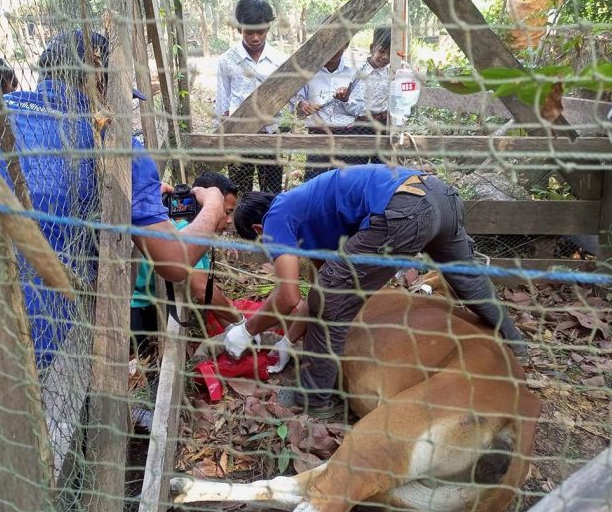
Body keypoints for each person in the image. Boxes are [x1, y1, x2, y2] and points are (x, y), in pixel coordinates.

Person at [0, 29, 226, 369]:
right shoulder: (115, 143)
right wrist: (214, 206)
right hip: (50, 342)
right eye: (120, 98)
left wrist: (139, 197)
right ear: (101, 83)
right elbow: (174, 263)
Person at [225, 165, 528, 418]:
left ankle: (314, 398)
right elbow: (324, 285)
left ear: (259, 230)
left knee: (329, 296)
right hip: (438, 195)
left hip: (404, 208)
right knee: (469, 280)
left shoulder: (275, 217)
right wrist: (288, 341)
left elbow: (290, 297)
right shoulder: (310, 213)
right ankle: (516, 344)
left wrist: (245, 331)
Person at [130, 171, 243, 356]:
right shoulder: (186, 231)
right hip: (143, 316)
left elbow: (208, 293)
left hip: (148, 308)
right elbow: (202, 289)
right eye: (226, 212)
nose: (229, 220)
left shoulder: (188, 228)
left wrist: (232, 328)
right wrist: (242, 324)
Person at [214, 0, 289, 194]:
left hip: (270, 134)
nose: (255, 38)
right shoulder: (227, 60)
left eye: (261, 32)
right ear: (240, 29)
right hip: (239, 136)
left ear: (268, 29)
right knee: (239, 191)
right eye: (249, 32)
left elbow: (291, 96)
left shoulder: (279, 60)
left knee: (271, 192)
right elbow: (222, 101)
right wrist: (222, 135)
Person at [296, 40, 366, 180]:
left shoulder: (353, 71)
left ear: (346, 44)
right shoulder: (308, 71)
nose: (334, 50)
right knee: (315, 180)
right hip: (318, 135)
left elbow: (359, 109)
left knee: (346, 181)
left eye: (338, 44)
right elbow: (298, 103)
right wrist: (303, 105)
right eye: (330, 44)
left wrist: (345, 100)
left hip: (346, 136)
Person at [354, 26, 391, 160]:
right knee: (357, 164)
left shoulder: (391, 72)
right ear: (372, 48)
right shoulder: (357, 70)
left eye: (390, 53)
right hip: (360, 125)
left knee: (381, 164)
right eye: (381, 51)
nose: (385, 57)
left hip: (383, 124)